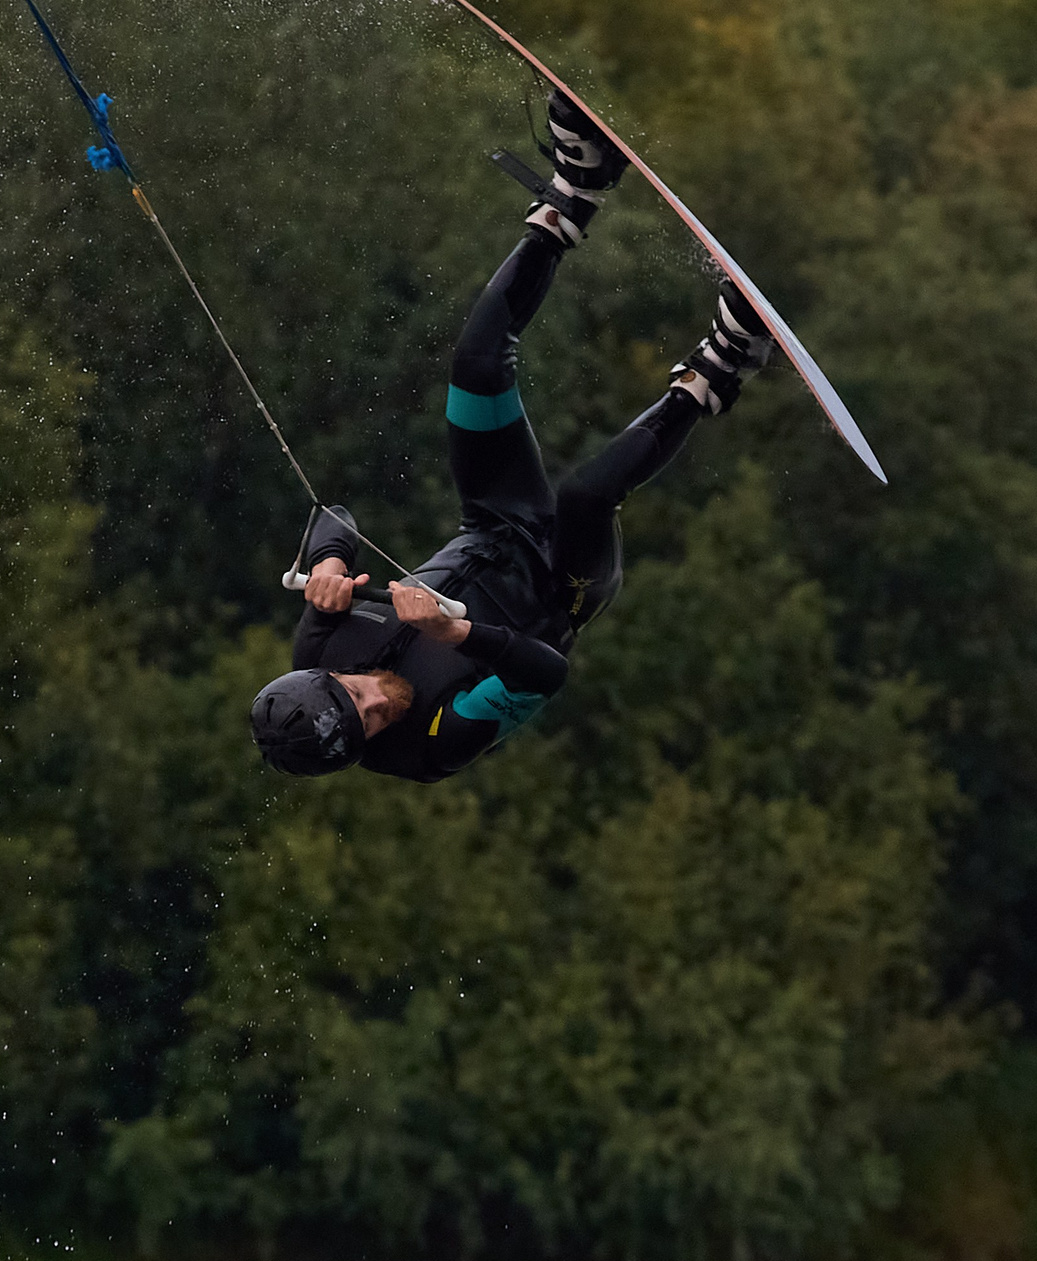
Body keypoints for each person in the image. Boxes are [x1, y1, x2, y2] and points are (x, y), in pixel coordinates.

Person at [249, 90, 778, 782]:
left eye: (355, 691)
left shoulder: (320, 643)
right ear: (366, 747)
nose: (378, 697)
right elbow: (544, 675)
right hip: (563, 586)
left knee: (476, 361)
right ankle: (722, 364)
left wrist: (324, 562)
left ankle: (574, 190)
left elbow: (333, 517)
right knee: (587, 495)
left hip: (494, 519)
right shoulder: (429, 745)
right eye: (372, 720)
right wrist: (454, 632)